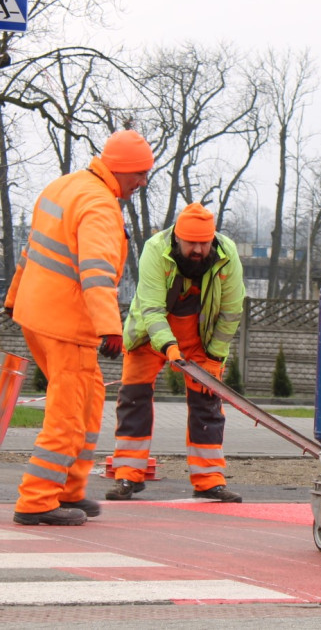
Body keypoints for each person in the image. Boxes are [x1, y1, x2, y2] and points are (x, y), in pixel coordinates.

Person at [6, 128, 154, 526]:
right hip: (66, 323)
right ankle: (37, 501)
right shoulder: (100, 206)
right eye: (140, 173)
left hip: (37, 315)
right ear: (123, 169)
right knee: (68, 416)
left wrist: (13, 295)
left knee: (87, 406)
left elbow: (32, 248)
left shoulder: (63, 187)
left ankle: (69, 491)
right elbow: (96, 273)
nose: (143, 181)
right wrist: (110, 328)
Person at [107, 202, 246, 503]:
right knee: (134, 399)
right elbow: (152, 308)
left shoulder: (228, 253)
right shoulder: (155, 249)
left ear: (213, 239)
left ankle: (209, 479)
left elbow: (231, 312)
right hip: (148, 336)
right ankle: (128, 475)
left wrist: (214, 357)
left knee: (207, 405)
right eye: (191, 243)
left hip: (200, 341)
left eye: (203, 243)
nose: (197, 250)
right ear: (177, 238)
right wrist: (168, 346)